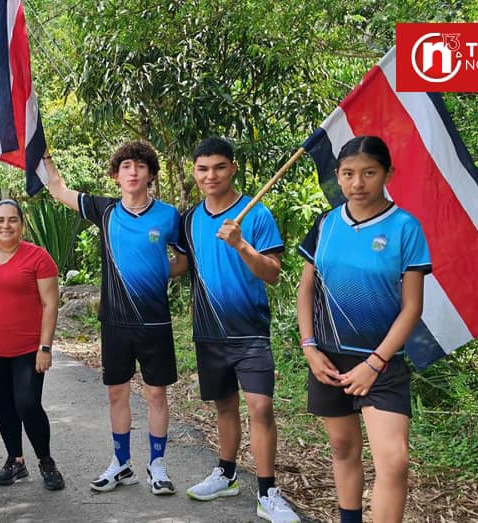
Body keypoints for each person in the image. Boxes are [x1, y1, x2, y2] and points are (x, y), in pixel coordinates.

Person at [297, 136, 430, 523]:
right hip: (328, 358)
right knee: (341, 447)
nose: (358, 183)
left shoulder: (406, 227)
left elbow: (412, 307)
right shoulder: (325, 223)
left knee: (394, 461)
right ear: (337, 177)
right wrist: (308, 346)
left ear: (388, 173)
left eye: (369, 173)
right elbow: (307, 287)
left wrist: (375, 362)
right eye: (349, 174)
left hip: (382, 363)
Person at [172, 137, 300, 522]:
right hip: (208, 332)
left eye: (219, 167)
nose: (210, 176)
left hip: (250, 332)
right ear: (194, 172)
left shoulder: (255, 212)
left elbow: (273, 274)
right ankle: (225, 474)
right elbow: (182, 266)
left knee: (260, 407)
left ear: (233, 168)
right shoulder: (190, 219)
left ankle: (267, 492)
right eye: (202, 168)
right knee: (224, 406)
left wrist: (241, 245)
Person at [44, 142, 182, 495]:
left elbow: (184, 260)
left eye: (139, 166)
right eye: (125, 166)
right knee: (116, 395)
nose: (132, 172)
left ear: (151, 173)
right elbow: (58, 189)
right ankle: (121, 464)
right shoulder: (105, 211)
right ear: (116, 175)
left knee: (156, 395)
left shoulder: (168, 216)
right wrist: (44, 156)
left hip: (155, 324)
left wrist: (159, 271)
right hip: (116, 324)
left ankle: (157, 465)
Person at [0, 199, 65, 491]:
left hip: (28, 350)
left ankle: (46, 462)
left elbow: (51, 304)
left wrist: (45, 347)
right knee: (4, 406)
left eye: (12, 220)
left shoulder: (38, 257)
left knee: (28, 404)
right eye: (0, 220)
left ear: (21, 224)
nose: (6, 225)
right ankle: (16, 461)